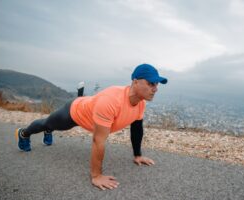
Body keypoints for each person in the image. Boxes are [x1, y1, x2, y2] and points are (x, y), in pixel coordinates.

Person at [15, 63, 168, 190]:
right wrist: (96, 175)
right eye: (150, 83)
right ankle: (24, 133)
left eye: (156, 84)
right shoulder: (111, 101)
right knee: (46, 123)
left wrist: (138, 155)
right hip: (74, 112)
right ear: (135, 81)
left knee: (53, 125)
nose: (155, 89)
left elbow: (137, 129)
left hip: (91, 108)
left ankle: (51, 128)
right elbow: (98, 141)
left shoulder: (140, 104)